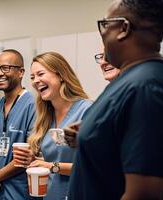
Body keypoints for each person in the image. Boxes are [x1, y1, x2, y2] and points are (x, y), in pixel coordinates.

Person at [68, 0, 163, 199]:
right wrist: (93, 133)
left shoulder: (145, 85)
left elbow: (144, 193)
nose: (102, 34)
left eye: (105, 25)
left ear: (123, 28)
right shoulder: (128, 79)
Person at [13, 52, 92, 199]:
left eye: (40, 74)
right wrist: (35, 161)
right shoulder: (45, 116)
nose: (35, 81)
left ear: (61, 75)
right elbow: (55, 156)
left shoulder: (86, 111)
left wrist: (53, 167)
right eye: (32, 77)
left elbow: (95, 166)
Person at [0, 49, 36, 200]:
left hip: (19, 192)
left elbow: (26, 156)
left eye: (5, 68)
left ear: (21, 72)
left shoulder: (33, 105)